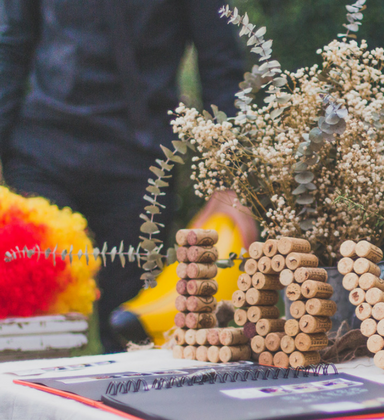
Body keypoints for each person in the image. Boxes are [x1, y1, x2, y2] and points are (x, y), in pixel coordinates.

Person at [0, 0, 245, 352]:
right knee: (33, 330)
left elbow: (220, 60)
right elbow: (11, 42)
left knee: (130, 337)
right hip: (42, 153)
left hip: (139, 164)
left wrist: (231, 179)